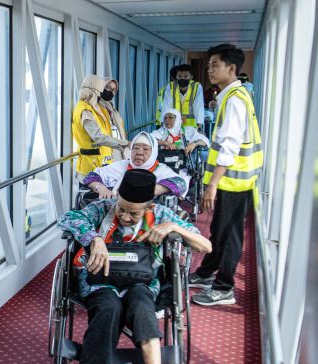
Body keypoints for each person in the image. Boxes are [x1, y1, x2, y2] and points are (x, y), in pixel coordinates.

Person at [57, 169, 211, 364]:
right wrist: (94, 238)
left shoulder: (161, 214)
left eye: (134, 213)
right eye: (122, 209)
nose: (126, 217)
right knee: (108, 308)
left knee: (142, 306)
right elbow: (67, 219)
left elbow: (206, 246)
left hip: (142, 282)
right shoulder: (103, 208)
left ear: (148, 208)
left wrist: (172, 227)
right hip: (102, 280)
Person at [190, 44, 263, 306]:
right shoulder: (232, 96)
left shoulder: (234, 101)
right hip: (234, 180)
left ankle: (224, 288)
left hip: (234, 181)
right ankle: (207, 273)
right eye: (209, 65)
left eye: (215, 65)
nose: (209, 70)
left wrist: (212, 185)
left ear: (231, 69)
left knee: (229, 234)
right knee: (220, 230)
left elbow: (229, 147)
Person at [82, 132, 187, 198]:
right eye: (135, 148)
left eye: (145, 149)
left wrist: (151, 190)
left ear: (154, 152)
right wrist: (100, 188)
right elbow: (91, 176)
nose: (139, 152)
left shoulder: (160, 170)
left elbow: (180, 183)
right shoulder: (122, 166)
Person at [72, 75, 128, 182]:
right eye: (103, 89)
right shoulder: (86, 110)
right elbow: (98, 137)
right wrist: (124, 144)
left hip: (103, 161)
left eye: (113, 90)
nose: (103, 93)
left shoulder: (106, 110)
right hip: (91, 165)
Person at [161, 63, 204, 131]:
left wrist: (199, 126)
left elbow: (198, 107)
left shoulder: (196, 87)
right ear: (176, 77)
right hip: (174, 126)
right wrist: (163, 125)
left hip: (191, 128)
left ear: (191, 77)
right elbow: (166, 107)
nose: (182, 78)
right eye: (180, 76)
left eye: (186, 76)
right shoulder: (171, 87)